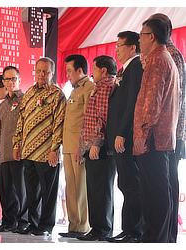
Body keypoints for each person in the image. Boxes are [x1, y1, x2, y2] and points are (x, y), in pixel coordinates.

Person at [134, 18, 179, 243]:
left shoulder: (158, 60)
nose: (139, 39)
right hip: (159, 137)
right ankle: (156, 238)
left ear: (151, 36)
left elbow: (152, 104)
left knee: (155, 192)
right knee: (157, 191)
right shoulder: (163, 57)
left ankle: (156, 240)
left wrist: (141, 134)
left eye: (141, 35)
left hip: (152, 138)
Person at [13, 57, 66, 236]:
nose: (42, 74)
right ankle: (33, 223)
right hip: (28, 151)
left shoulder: (57, 94)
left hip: (46, 152)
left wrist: (54, 149)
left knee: (48, 193)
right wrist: (17, 144)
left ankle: (46, 226)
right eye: (39, 71)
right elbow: (21, 120)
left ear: (52, 73)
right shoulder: (28, 93)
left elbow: (59, 122)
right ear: (35, 72)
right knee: (31, 192)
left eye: (46, 71)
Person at [148, 13, 186, 243]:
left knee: (166, 184)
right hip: (169, 131)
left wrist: (177, 133)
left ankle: (166, 236)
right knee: (162, 183)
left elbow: (175, 100)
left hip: (170, 132)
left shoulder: (169, 55)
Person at [106, 31, 143, 243]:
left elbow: (131, 104)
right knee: (125, 184)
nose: (117, 49)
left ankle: (133, 230)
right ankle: (127, 228)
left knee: (131, 184)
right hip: (118, 136)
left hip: (126, 137)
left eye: (120, 45)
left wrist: (122, 132)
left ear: (132, 48)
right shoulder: (124, 69)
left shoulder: (136, 67)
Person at [77, 56, 117, 241]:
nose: (91, 72)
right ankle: (98, 228)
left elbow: (103, 117)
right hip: (92, 145)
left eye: (94, 69)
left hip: (99, 148)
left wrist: (96, 143)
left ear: (103, 70)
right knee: (95, 189)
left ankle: (101, 229)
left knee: (101, 190)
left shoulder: (105, 87)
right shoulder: (100, 87)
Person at [58, 54, 93, 238]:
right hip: (68, 146)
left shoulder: (89, 87)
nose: (68, 75)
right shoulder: (74, 89)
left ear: (80, 70)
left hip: (79, 147)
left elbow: (88, 119)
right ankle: (73, 225)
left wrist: (83, 145)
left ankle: (82, 226)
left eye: (70, 71)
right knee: (71, 187)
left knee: (81, 188)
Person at [0, 66, 28, 233]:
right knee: (6, 191)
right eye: (7, 79)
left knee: (21, 190)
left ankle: (23, 221)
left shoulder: (26, 100)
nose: (11, 82)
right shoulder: (3, 106)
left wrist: (20, 146)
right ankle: (8, 221)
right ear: (3, 82)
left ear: (19, 80)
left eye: (14, 79)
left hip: (19, 153)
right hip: (4, 154)